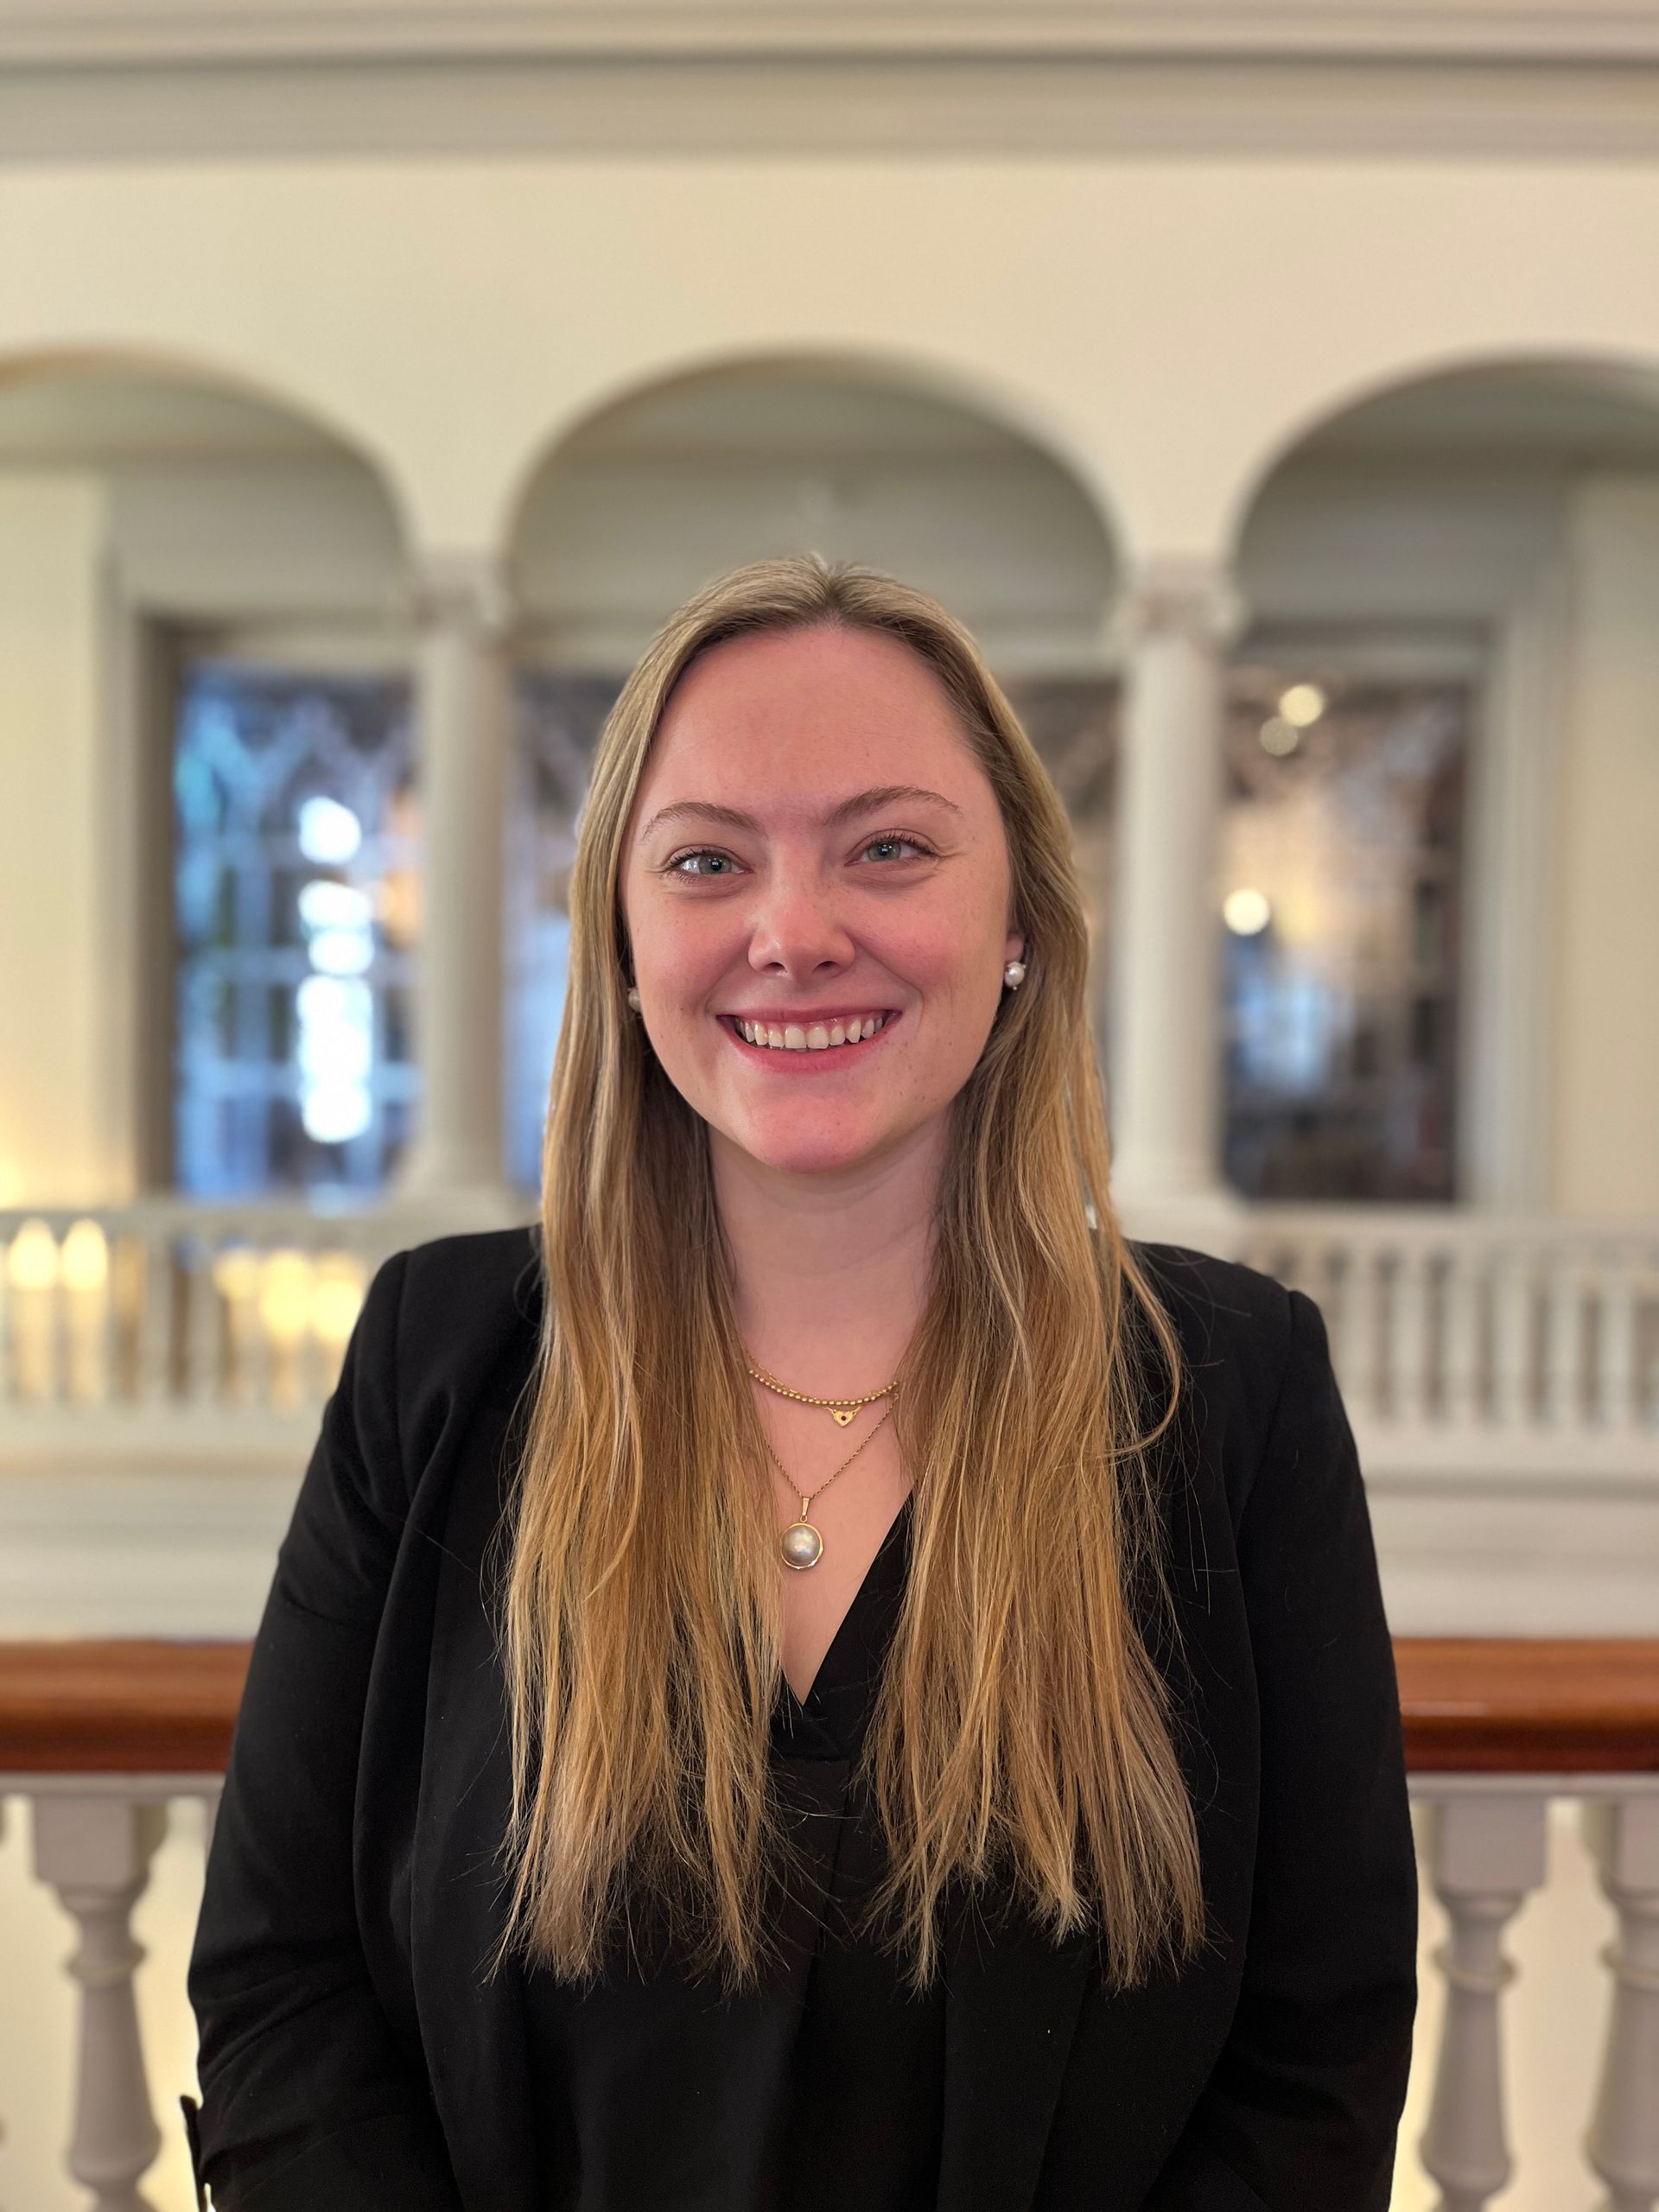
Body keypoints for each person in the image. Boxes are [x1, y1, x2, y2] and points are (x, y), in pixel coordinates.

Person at [185, 554, 1418, 2211]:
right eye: (707, 861)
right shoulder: (437, 1360)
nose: (793, 933)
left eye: (888, 848)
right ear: (624, 942)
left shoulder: (1231, 1394)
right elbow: (285, 1992)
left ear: (1021, 924)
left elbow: (1312, 2056)